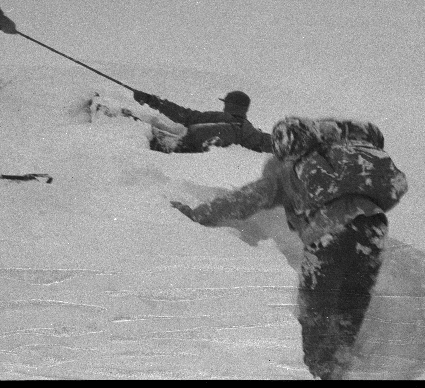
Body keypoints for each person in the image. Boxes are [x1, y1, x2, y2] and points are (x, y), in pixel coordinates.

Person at [169, 116, 406, 379]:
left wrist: (198, 214)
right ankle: (339, 365)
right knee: (350, 307)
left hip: (331, 233)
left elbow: (243, 200)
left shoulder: (285, 171)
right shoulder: (337, 157)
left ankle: (318, 371)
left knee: (315, 309)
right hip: (374, 230)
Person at [131, 89, 273, 153]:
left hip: (183, 151)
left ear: (229, 105)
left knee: (143, 130)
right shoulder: (250, 130)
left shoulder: (221, 118)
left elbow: (185, 116)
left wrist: (152, 101)